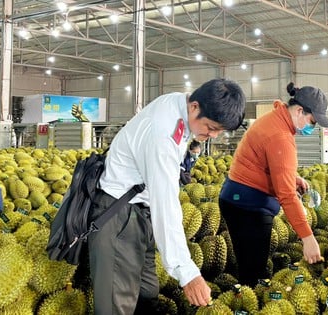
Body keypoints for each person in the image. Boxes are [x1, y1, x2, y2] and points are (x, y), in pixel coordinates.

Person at [88, 79, 246, 314]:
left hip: (140, 211)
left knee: (147, 291)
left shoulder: (178, 104)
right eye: (211, 127)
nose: (212, 135)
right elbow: (165, 203)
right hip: (117, 215)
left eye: (219, 131)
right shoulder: (163, 134)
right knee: (115, 304)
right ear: (195, 107)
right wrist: (187, 272)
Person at [218, 82, 328, 287]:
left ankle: (244, 294)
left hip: (237, 199)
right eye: (312, 121)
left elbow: (263, 161)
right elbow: (287, 195)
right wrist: (307, 238)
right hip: (248, 206)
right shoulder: (280, 136)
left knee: (249, 265)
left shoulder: (273, 119)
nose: (312, 128)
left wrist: (291, 177)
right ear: (299, 111)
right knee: (254, 272)